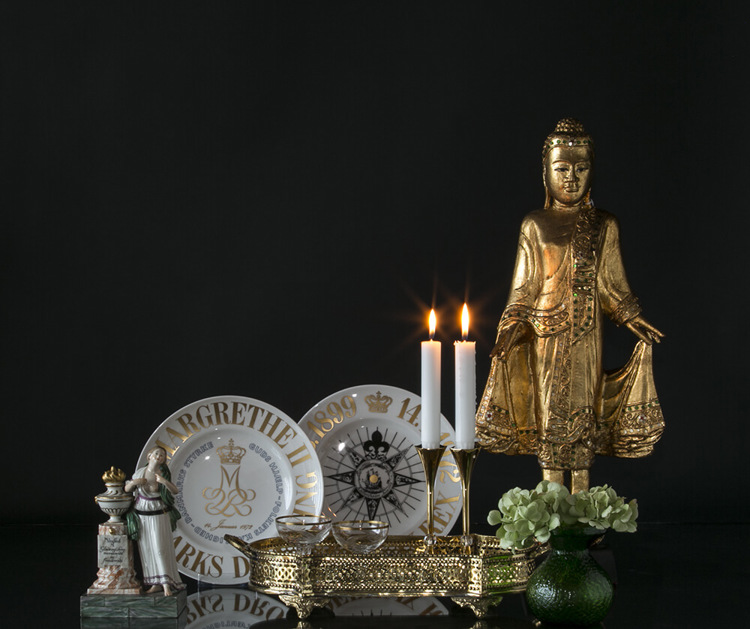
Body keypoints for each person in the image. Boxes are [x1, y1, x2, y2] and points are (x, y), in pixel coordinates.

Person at [475, 118, 665, 493]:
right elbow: (524, 290)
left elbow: (611, 285)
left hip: (585, 337)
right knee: (549, 418)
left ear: (592, 172)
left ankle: (579, 512)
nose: (571, 178)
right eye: (561, 169)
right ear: (545, 173)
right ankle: (549, 507)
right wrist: (511, 328)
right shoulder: (535, 224)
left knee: (582, 417)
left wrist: (632, 317)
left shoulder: (604, 224)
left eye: (581, 168)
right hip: (543, 335)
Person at [125, 446, 185, 596]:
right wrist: (133, 483)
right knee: (147, 550)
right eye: (157, 454)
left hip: (158, 513)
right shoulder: (140, 473)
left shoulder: (163, 473)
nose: (159, 457)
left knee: (159, 549)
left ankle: (166, 584)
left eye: (162, 455)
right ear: (149, 456)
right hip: (142, 514)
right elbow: (127, 489)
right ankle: (155, 584)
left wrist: (164, 481)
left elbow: (175, 491)